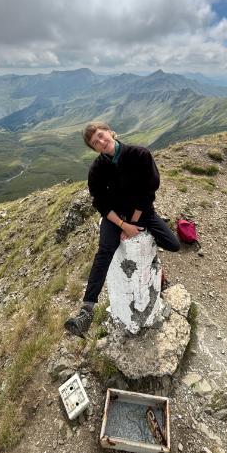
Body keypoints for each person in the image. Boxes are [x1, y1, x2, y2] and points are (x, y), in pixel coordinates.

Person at [64, 121, 180, 338]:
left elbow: (149, 190)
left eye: (101, 135)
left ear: (110, 132)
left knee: (172, 244)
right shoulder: (96, 170)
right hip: (115, 217)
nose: (100, 141)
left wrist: (133, 223)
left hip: (142, 211)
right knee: (105, 250)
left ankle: (158, 274)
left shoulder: (140, 155)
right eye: (94, 142)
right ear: (94, 148)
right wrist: (122, 225)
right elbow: (100, 203)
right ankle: (86, 311)